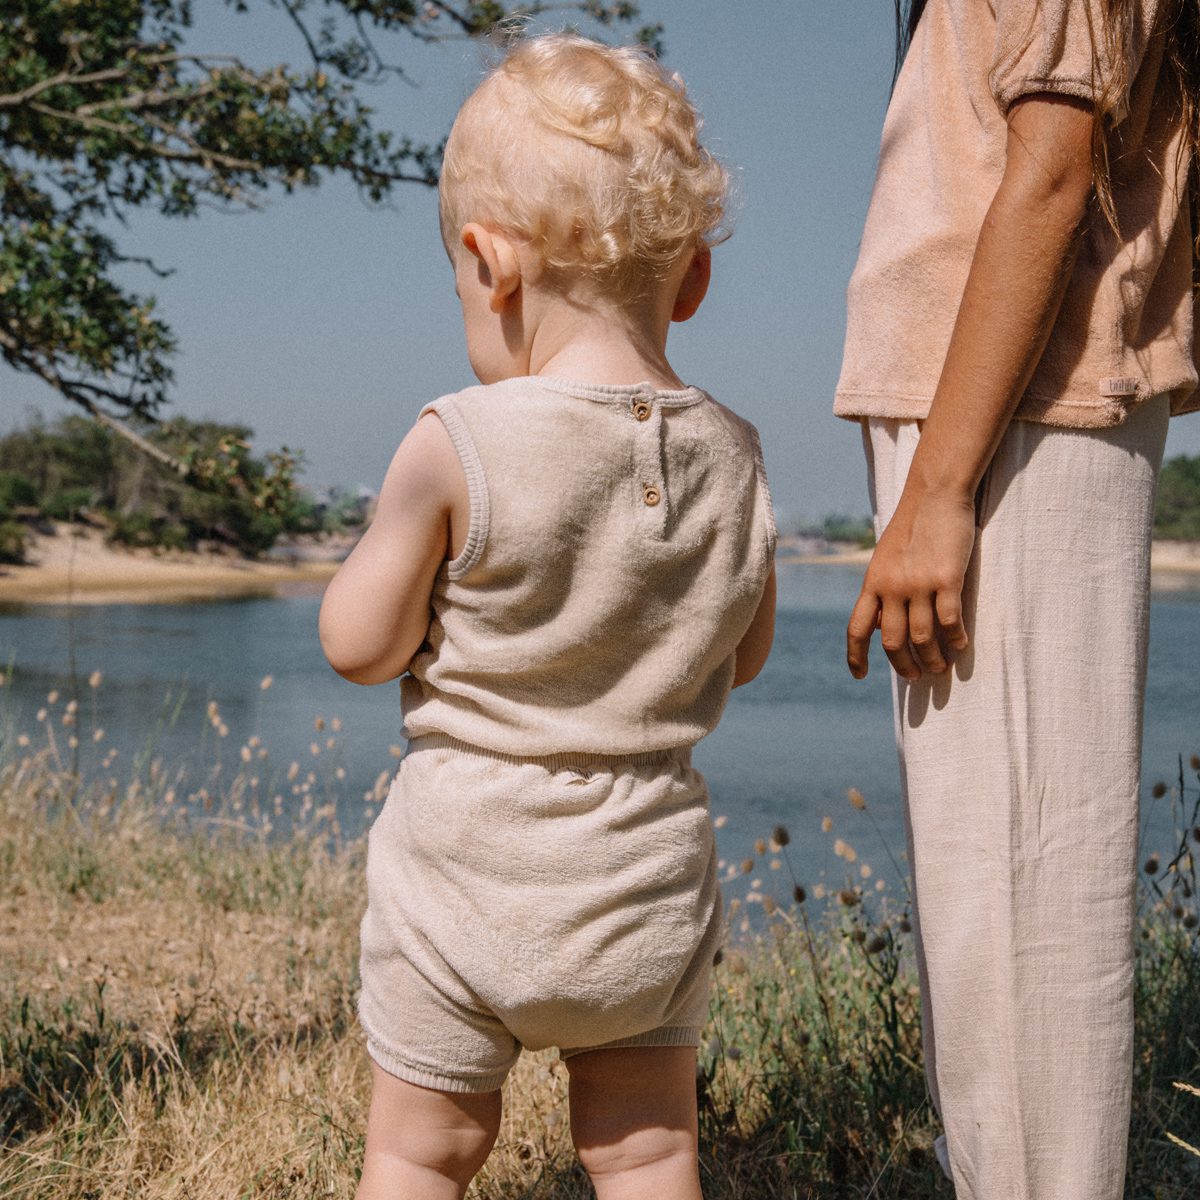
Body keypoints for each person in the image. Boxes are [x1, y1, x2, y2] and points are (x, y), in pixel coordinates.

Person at [318, 33, 777, 1200]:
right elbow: (748, 647)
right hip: (645, 883)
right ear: (693, 280)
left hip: (468, 878)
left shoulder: (456, 439)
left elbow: (357, 647)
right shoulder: (735, 456)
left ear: (491, 265)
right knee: (647, 1151)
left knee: (423, 1150)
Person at [835, 0, 1198, 1196]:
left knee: (1027, 883)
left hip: (1011, 422)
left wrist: (940, 489)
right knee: (989, 891)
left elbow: (1052, 172)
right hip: (983, 412)